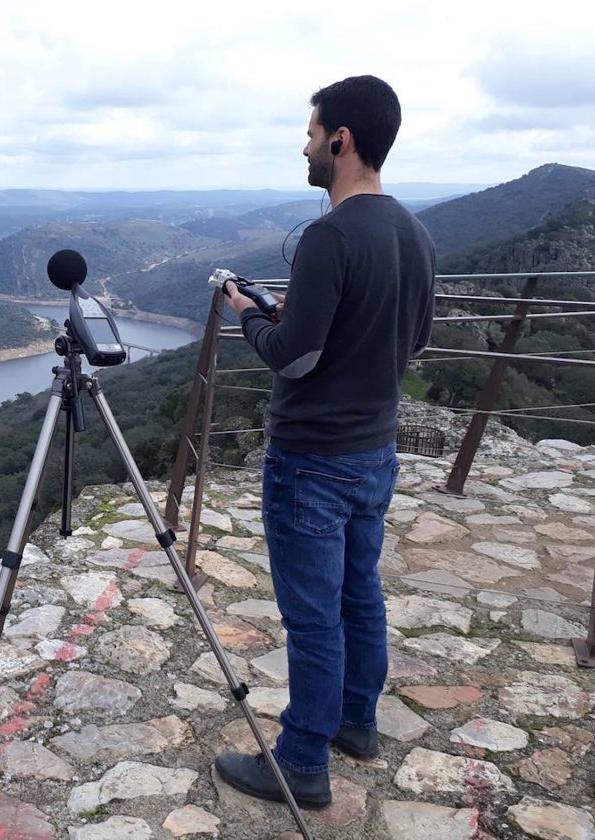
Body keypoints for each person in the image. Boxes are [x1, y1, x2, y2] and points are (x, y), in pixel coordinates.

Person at [214, 74, 436, 809]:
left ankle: (302, 762)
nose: (305, 145)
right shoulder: (414, 230)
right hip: (375, 452)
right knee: (360, 595)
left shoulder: (329, 235)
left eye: (312, 134)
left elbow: (295, 357)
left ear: (341, 140)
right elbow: (414, 340)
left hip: (312, 460)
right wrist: (289, 314)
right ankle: (357, 724)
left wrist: (250, 314)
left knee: (311, 617)